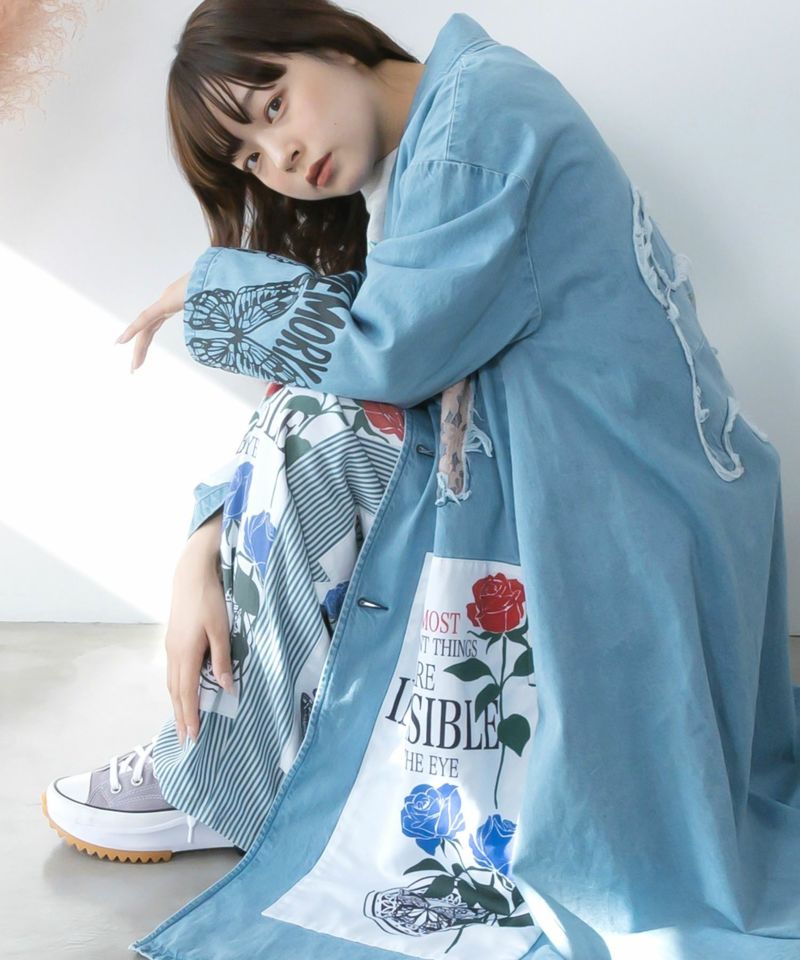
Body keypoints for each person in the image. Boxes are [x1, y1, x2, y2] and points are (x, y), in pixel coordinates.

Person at [47, 3, 800, 959]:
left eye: (274, 106)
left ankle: (223, 769)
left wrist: (210, 290)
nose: (283, 158)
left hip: (626, 505)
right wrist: (202, 539)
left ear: (332, 41)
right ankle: (236, 754)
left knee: (325, 429)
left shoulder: (476, 125)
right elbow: (350, 360)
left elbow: (385, 355)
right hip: (591, 479)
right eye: (251, 158)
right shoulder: (429, 145)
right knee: (315, 418)